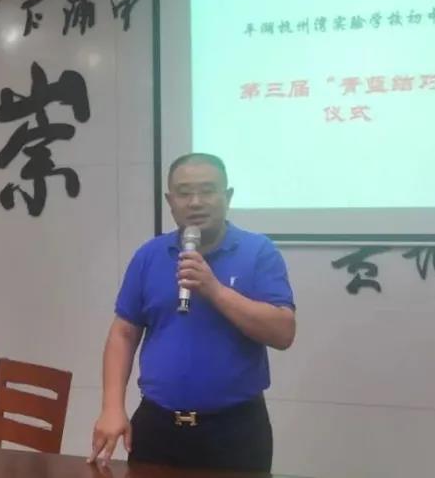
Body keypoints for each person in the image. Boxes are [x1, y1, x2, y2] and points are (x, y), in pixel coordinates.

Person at [89, 153, 296, 473]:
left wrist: (214, 290)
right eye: (184, 193)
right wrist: (112, 407)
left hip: (235, 431)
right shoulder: (149, 255)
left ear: (227, 197)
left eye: (207, 190)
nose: (196, 202)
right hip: (157, 426)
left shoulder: (258, 252)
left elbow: (283, 333)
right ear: (170, 202)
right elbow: (123, 333)